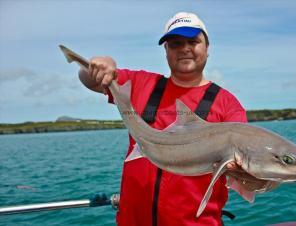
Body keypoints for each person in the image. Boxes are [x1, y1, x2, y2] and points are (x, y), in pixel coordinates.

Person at [79, 12, 247, 226]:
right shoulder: (140, 84)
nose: (185, 48)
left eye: (193, 42)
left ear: (207, 47)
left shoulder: (228, 105)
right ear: (166, 51)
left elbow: (246, 174)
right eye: (176, 44)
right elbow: (90, 79)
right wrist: (98, 66)